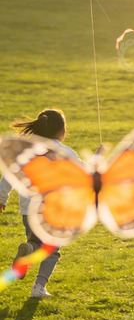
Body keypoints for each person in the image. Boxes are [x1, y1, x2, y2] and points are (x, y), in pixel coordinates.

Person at [0, 109, 80, 298]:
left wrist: (1, 199)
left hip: (28, 211)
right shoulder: (64, 152)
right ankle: (39, 288)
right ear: (62, 131)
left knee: (36, 243)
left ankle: (29, 249)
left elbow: (8, 177)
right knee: (52, 249)